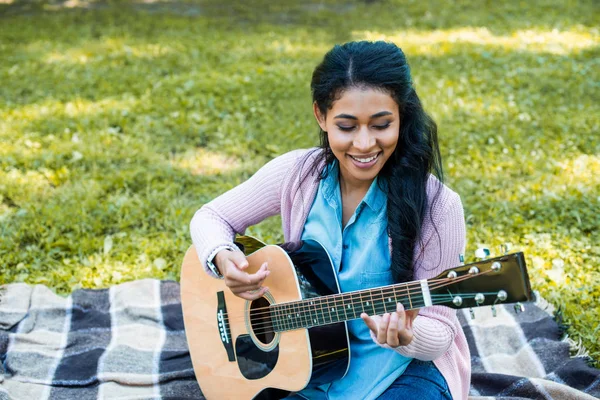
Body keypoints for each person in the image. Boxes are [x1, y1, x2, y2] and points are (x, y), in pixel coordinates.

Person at [190, 41, 469, 400]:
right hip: (307, 365)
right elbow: (211, 216)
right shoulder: (299, 175)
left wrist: (409, 336)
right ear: (321, 116)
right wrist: (222, 257)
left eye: (381, 125)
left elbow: (442, 330)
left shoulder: (439, 207)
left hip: (399, 373)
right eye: (347, 127)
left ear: (402, 116)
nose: (365, 144)